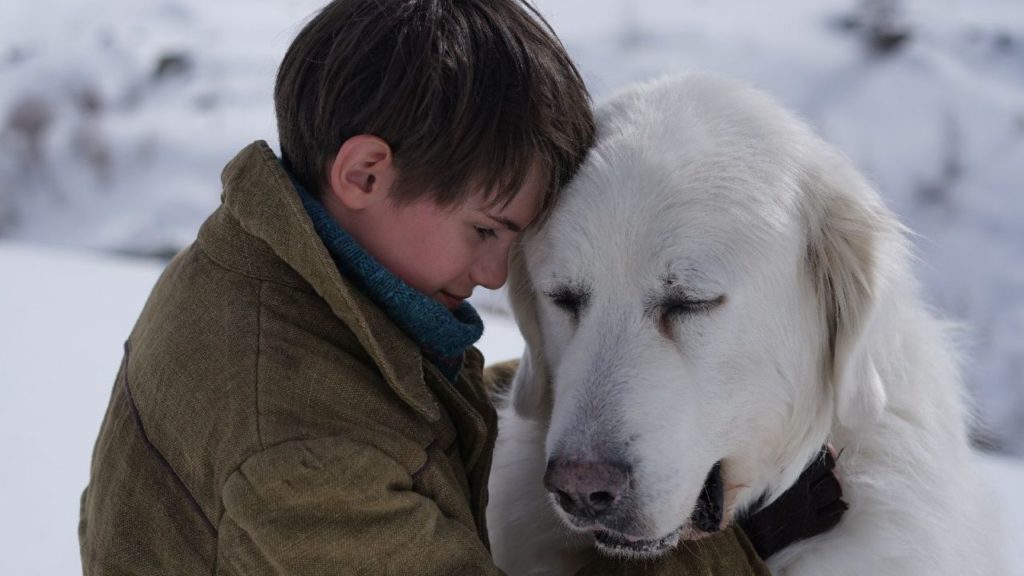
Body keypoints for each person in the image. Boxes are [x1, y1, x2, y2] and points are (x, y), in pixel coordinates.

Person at [78, 0, 843, 574]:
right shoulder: (302, 454)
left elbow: (379, 402)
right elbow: (334, 436)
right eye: (485, 230)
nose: (492, 275)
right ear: (365, 174)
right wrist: (742, 547)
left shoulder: (258, 267)